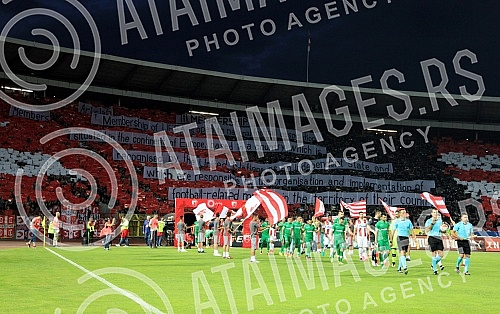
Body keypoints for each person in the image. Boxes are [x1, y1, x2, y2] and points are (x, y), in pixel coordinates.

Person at [392, 209, 415, 274]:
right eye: (403, 213)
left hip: (406, 238)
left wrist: (415, 240)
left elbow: (412, 230)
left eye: (405, 212)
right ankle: (405, 267)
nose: (405, 214)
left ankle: (399, 268)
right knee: (402, 252)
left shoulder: (408, 221)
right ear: (400, 214)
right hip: (400, 237)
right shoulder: (397, 221)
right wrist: (390, 239)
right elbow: (393, 231)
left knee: (404, 253)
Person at [425, 209, 446, 275]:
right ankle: (435, 269)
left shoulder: (440, 221)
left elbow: (441, 230)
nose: (435, 214)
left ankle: (433, 264)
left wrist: (444, 229)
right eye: (434, 212)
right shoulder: (428, 221)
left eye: (436, 212)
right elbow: (427, 230)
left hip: (439, 237)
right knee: (433, 253)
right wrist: (432, 223)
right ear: (431, 213)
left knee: (441, 254)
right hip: (432, 237)